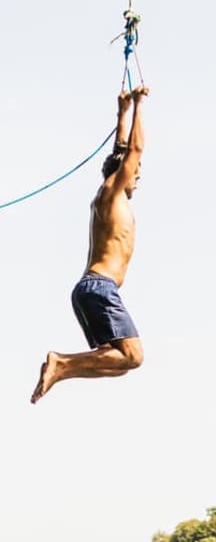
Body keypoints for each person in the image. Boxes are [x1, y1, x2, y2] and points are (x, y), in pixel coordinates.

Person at [31, 86, 150, 403]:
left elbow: (123, 151)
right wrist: (139, 104)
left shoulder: (110, 198)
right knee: (133, 357)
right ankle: (63, 363)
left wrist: (121, 113)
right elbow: (134, 151)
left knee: (118, 363)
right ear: (123, 172)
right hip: (99, 288)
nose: (138, 176)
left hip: (92, 289)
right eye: (135, 172)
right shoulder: (111, 191)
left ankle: (62, 368)